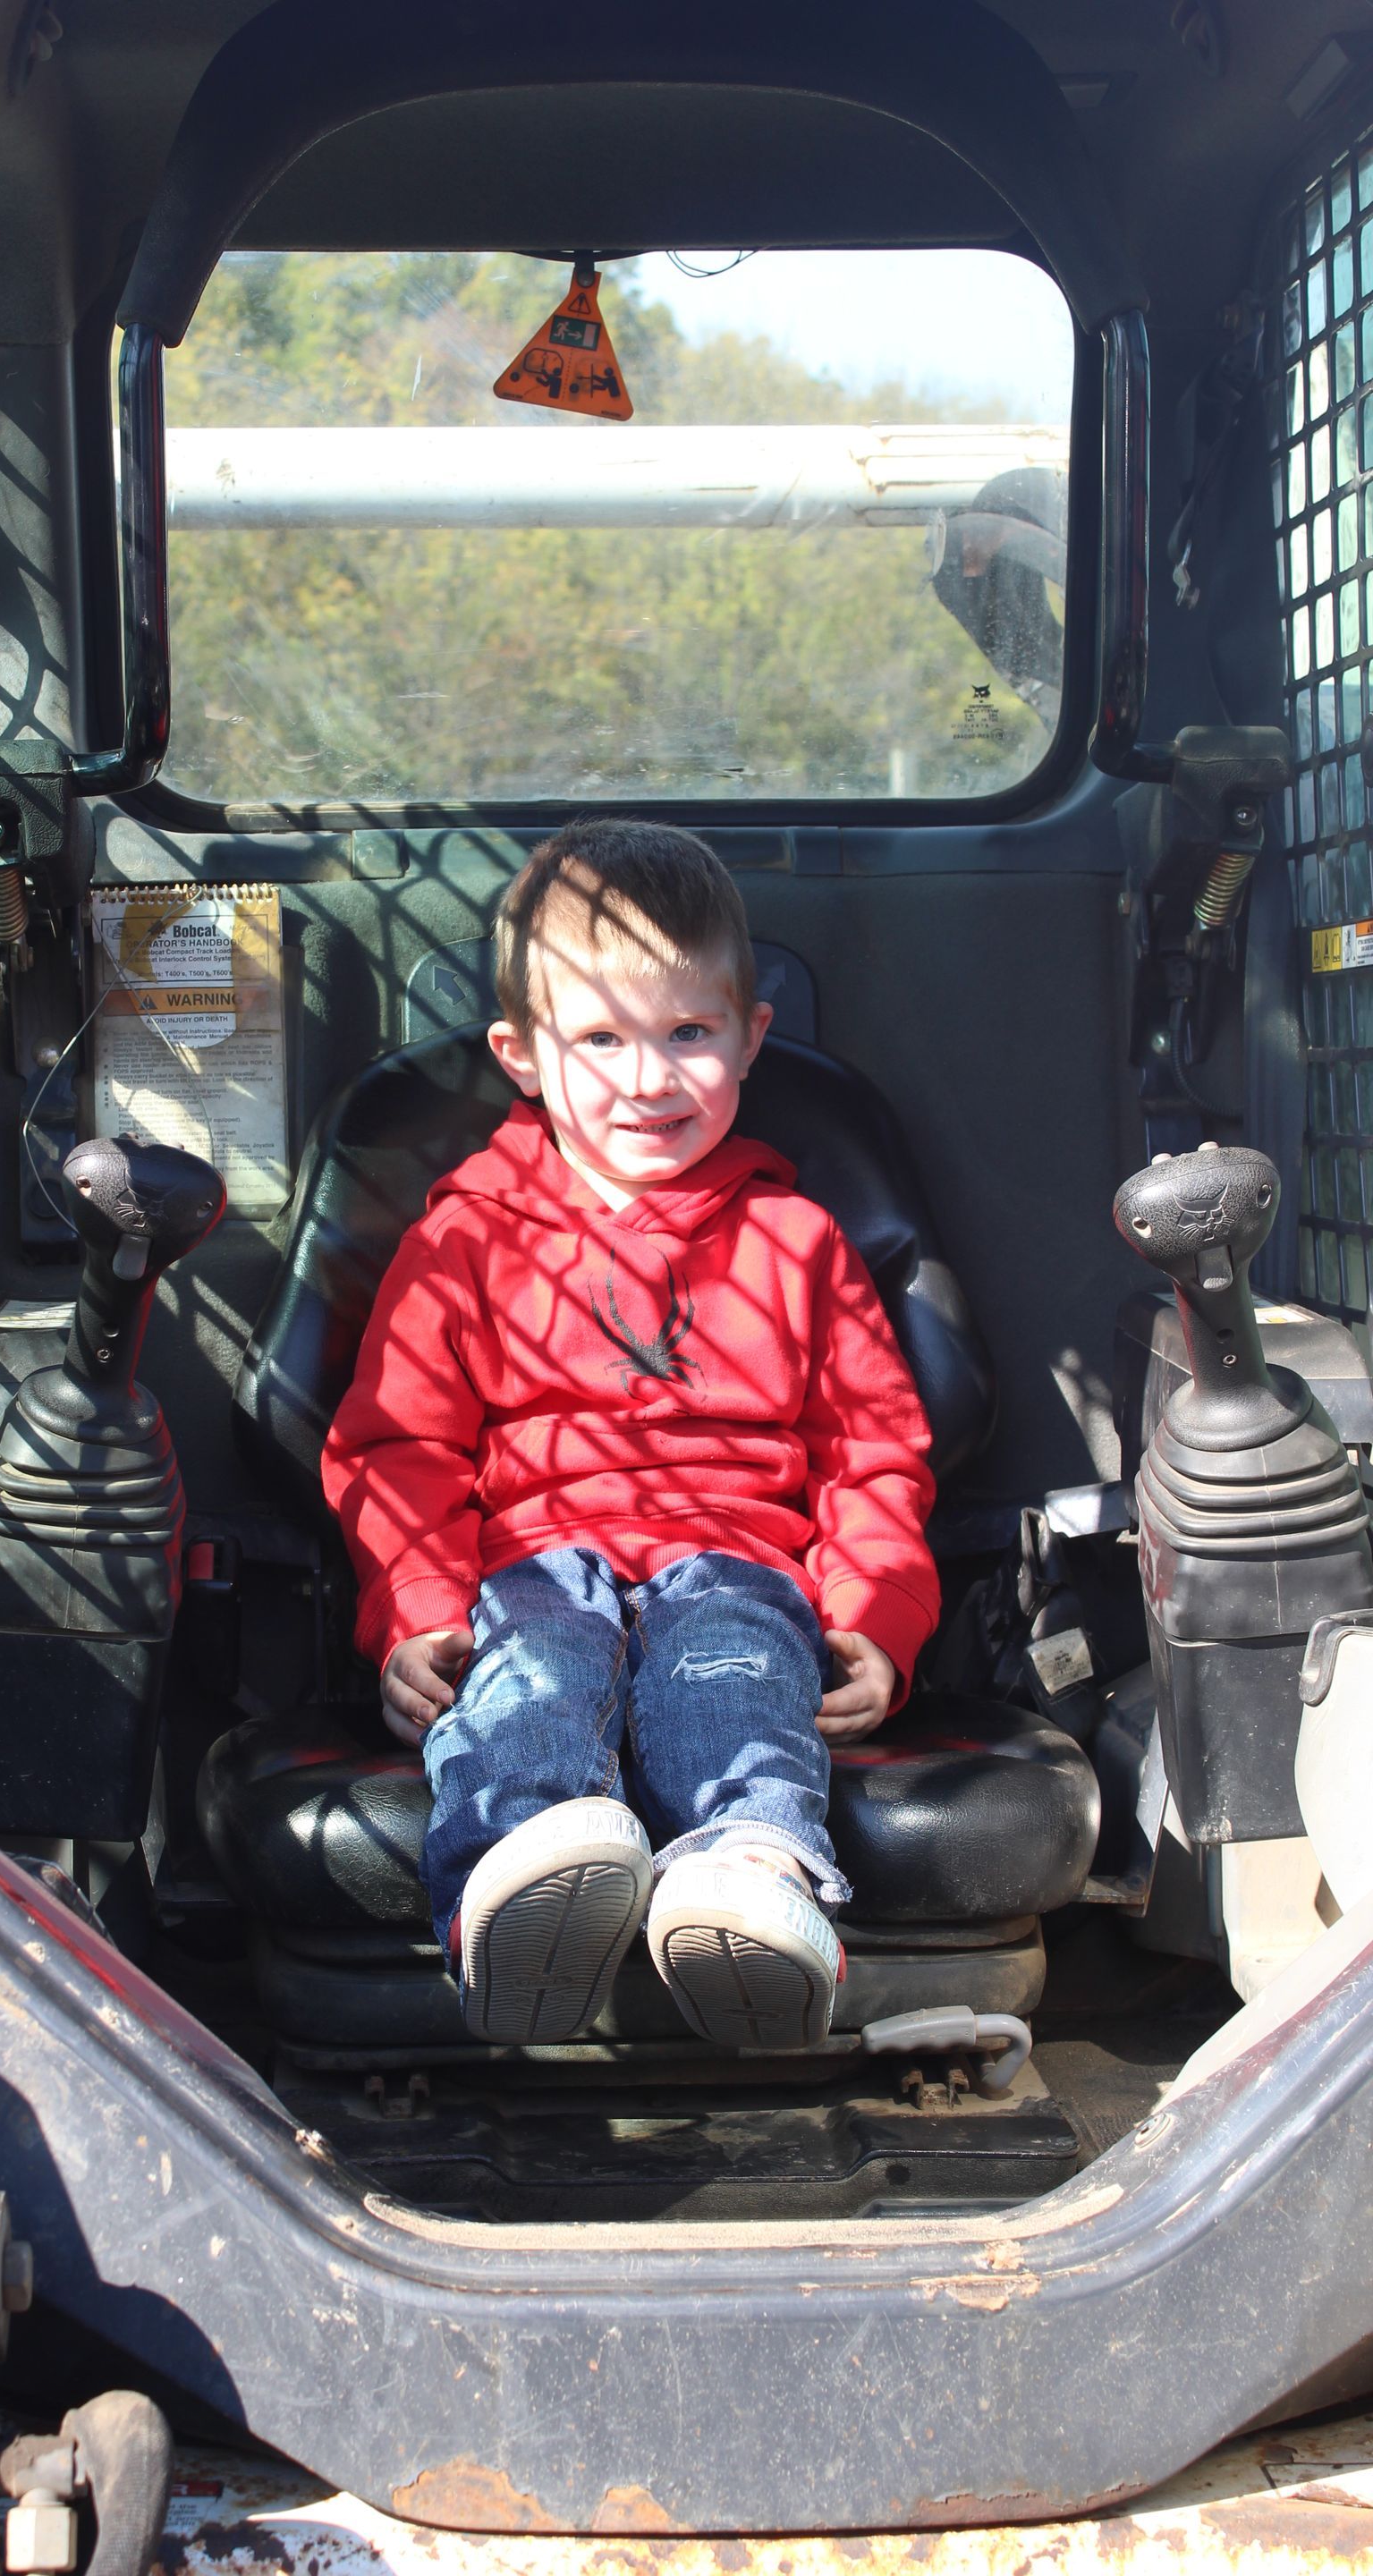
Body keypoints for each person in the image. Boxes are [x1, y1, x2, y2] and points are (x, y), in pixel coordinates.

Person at [321, 820, 938, 2051]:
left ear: (750, 1038)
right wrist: (422, 1611)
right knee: (530, 1680)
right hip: (533, 1562)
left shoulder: (799, 1243)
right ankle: (519, 1884)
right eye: (599, 1039)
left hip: (741, 1558)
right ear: (525, 1057)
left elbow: (875, 1451)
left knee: (742, 1674)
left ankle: (752, 1888)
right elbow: (399, 1450)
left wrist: (875, 1617)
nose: (648, 1078)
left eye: (687, 1035)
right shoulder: (466, 1242)